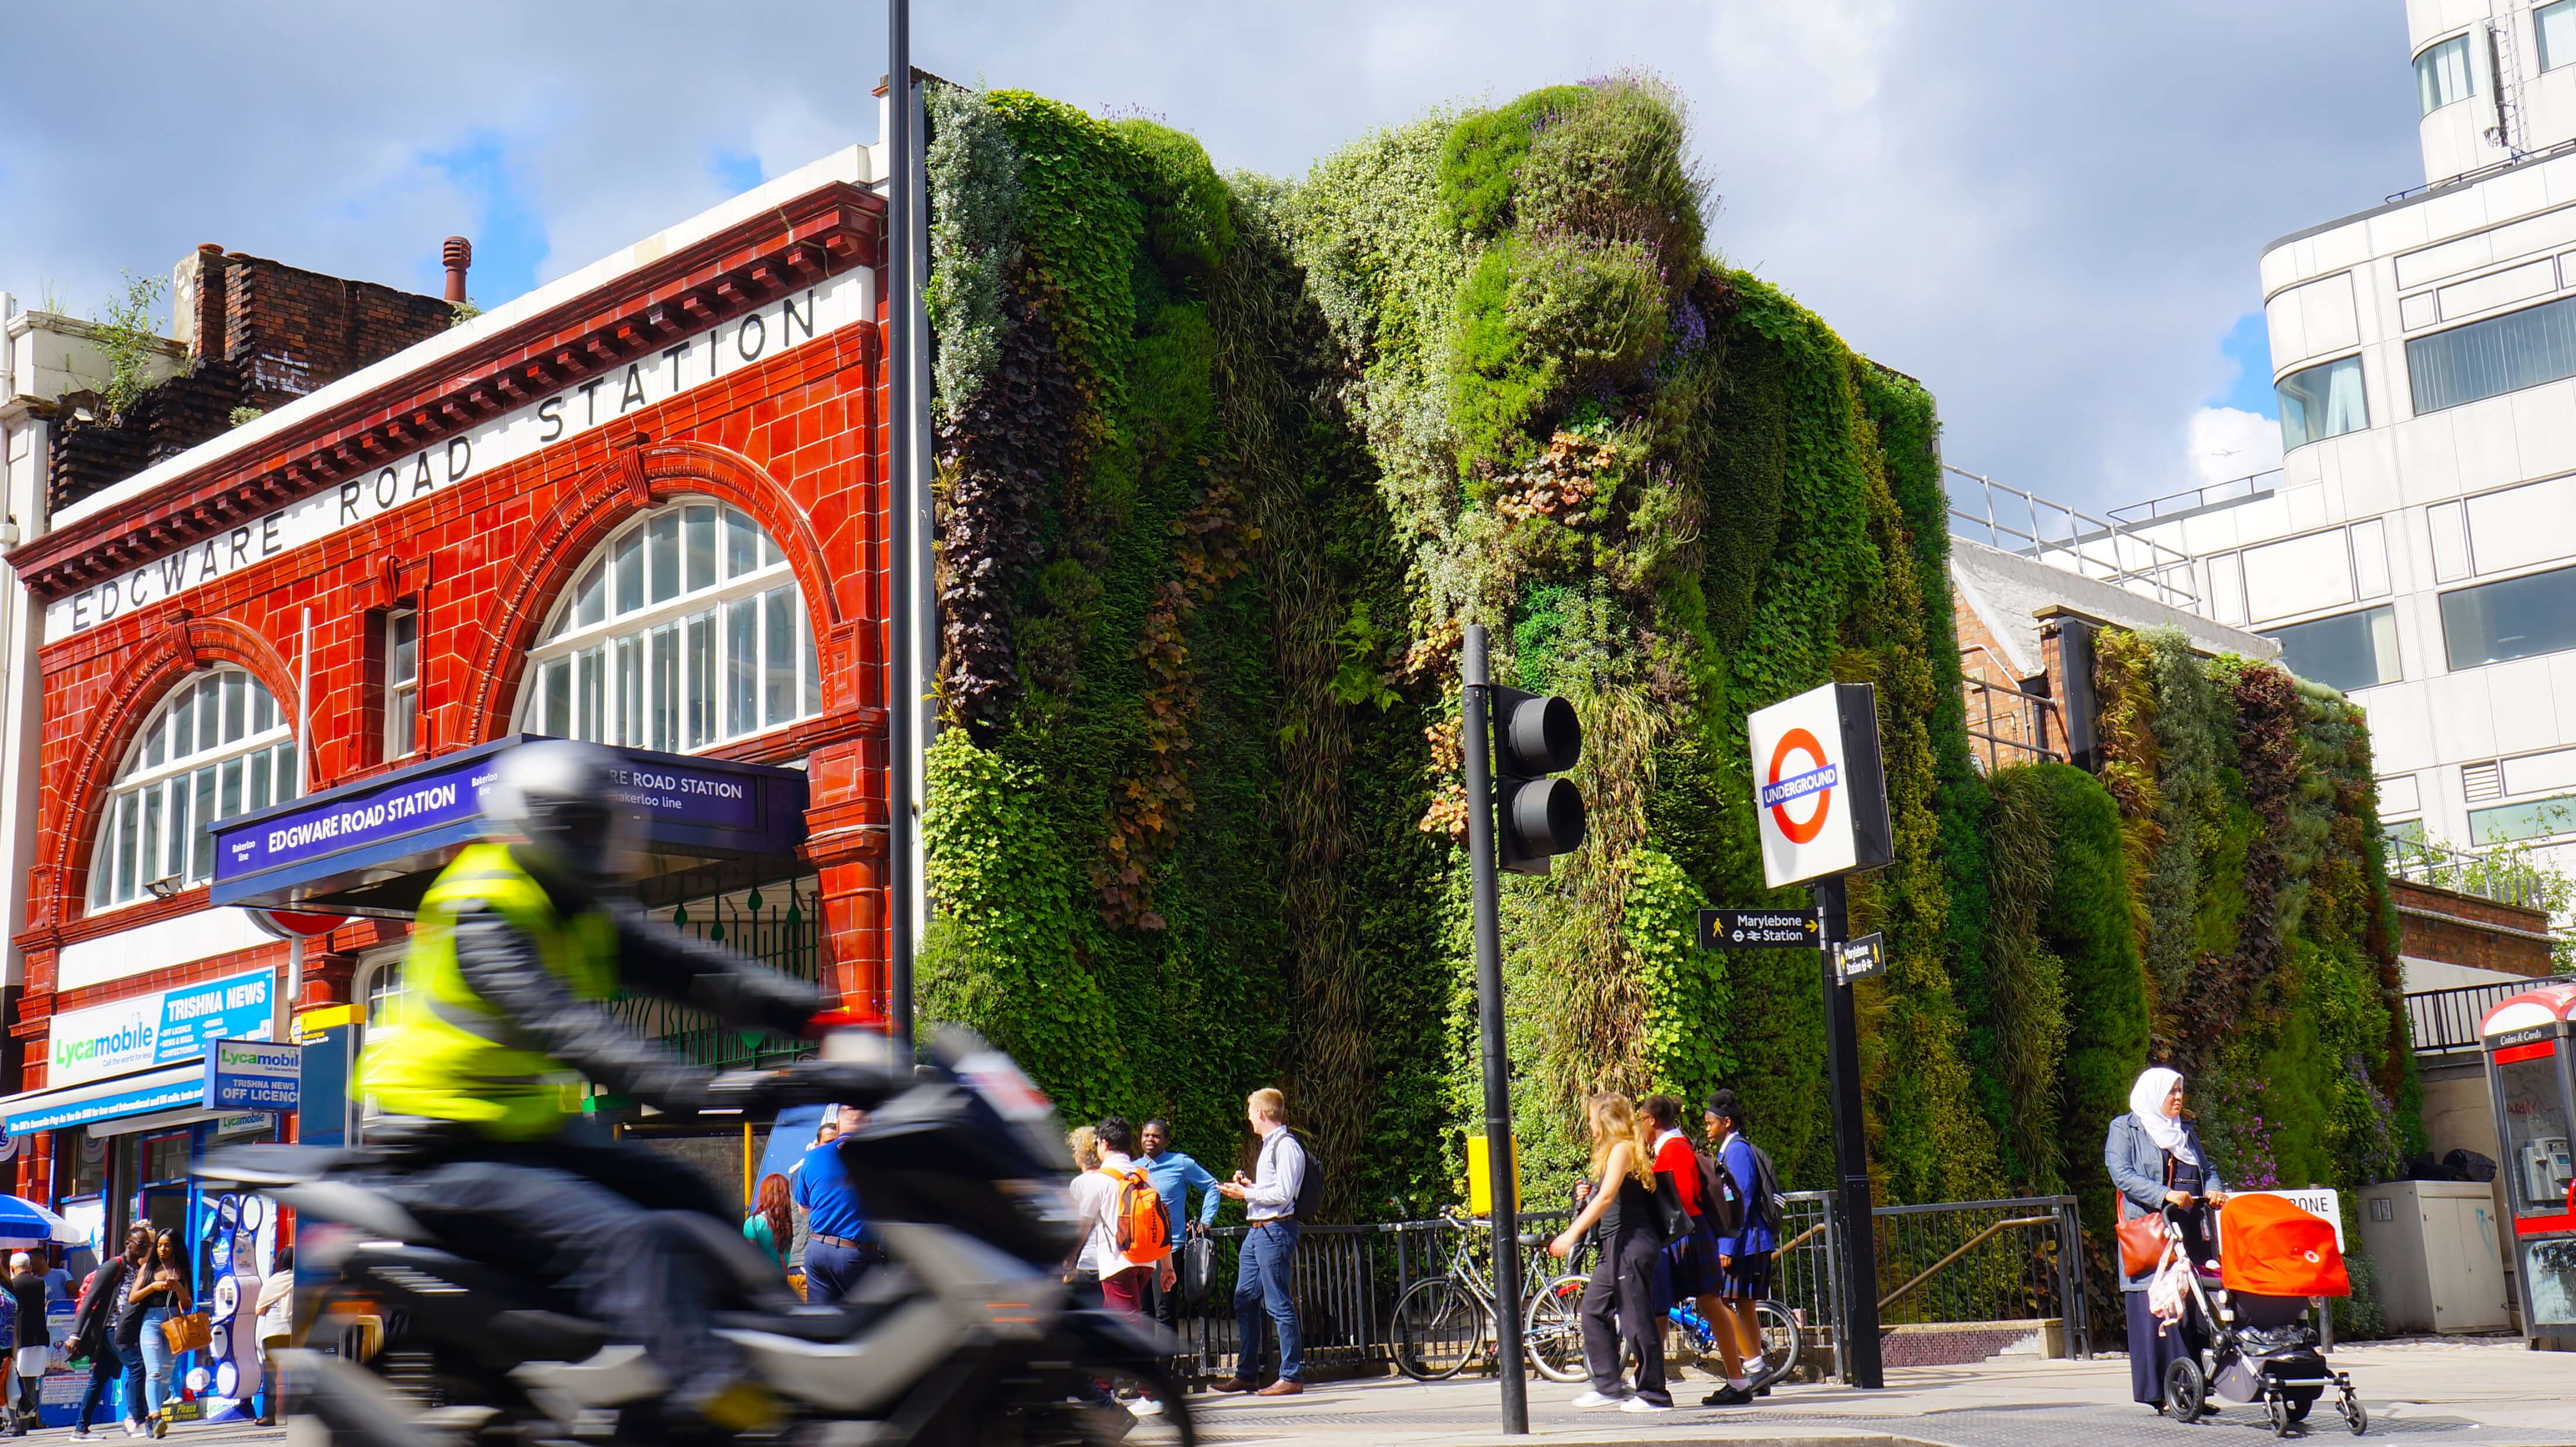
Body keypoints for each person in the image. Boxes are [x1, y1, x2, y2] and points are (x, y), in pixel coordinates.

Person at [357, 740, 844, 1435]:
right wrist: (690, 1084)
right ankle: (723, 1401)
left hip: (524, 1136)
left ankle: (784, 1353)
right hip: (443, 1144)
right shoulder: (487, 903)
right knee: (627, 1240)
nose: (598, 842)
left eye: (601, 824)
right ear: (545, 826)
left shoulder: (573, 904)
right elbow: (561, 1022)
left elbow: (690, 969)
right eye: (583, 826)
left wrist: (822, 1015)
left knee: (692, 1196)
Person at [2108, 1065, 2229, 1412]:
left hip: (2189, 1231)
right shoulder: (2125, 1128)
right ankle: (2163, 1392)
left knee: (2192, 1309)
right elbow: (2122, 1174)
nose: (2179, 1098)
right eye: (2172, 1092)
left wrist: (2215, 1191)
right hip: (2153, 1230)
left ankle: (2193, 1392)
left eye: (2181, 1091)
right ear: (2153, 1094)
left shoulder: (2185, 1133)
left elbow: (2208, 1171)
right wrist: (2165, 1194)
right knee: (2159, 1308)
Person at [1549, 1095, 1671, 1413]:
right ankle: (1608, 1385)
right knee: (1592, 1310)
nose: (1589, 1125)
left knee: (1635, 1318)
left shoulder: (1622, 1149)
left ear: (1605, 1121)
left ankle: (1655, 1393)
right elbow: (1607, 1196)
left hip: (1630, 1243)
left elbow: (1606, 1200)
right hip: (1613, 1246)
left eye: (1591, 1119)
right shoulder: (1614, 1153)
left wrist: (1572, 1233)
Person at [1214, 1088, 1307, 1398]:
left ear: (1264, 1114)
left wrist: (1247, 1194)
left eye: (1252, 1111)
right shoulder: (1270, 1147)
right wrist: (1249, 1188)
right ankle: (1247, 1374)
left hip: (1275, 1232)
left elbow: (1284, 1195)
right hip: (1258, 1232)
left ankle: (1291, 1375)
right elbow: (1273, 1191)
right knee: (1244, 1299)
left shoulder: (1287, 1146)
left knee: (1278, 1302)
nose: (1249, 1117)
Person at [1701, 1088, 1777, 1407]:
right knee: (1742, 1303)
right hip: (1748, 1242)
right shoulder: (1730, 1151)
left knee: (1722, 1302)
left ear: (1726, 1122)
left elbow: (1739, 1201)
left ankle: (1755, 1367)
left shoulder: (1737, 1152)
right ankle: (1756, 1367)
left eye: (1710, 1123)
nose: (1706, 1128)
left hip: (1746, 1243)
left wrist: (1727, 1247)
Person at [1642, 1096, 1715, 1370]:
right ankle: (1649, 1374)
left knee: (1710, 1306)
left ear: (1651, 1120)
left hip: (1685, 1236)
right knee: (1667, 1307)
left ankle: (1745, 1371)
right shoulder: (1674, 1148)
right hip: (1686, 1233)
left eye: (1640, 1121)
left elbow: (1682, 1199)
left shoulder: (1673, 1151)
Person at [1138, 1118, 1221, 1335]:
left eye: (1156, 1136)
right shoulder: (1133, 1169)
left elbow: (1213, 1186)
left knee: (1164, 1311)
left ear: (1166, 1140)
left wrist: (1206, 1220)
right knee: (1142, 1313)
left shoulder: (1181, 1163)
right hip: (1138, 1252)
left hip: (1170, 1248)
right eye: (1146, 1135)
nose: (1150, 1139)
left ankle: (1166, 1368)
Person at [793, 1105, 883, 1305]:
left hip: (818, 1251)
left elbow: (803, 1209)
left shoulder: (813, 1156)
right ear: (869, 1124)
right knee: (868, 1323)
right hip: (857, 1254)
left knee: (821, 1321)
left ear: (839, 1124)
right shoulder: (880, 1158)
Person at [67, 1229, 149, 1443]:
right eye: (141, 1244)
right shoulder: (113, 1266)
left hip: (125, 1329)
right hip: (111, 1328)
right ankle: (135, 1419)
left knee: (99, 1378)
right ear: (128, 1244)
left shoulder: (137, 1268)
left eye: (147, 1245)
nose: (144, 1248)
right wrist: (76, 1334)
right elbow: (90, 1300)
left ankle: (80, 1429)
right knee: (137, 1366)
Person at [124, 1231, 188, 1438]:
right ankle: (156, 1415)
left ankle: (152, 1420)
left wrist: (178, 1288)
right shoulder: (148, 1268)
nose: (162, 1249)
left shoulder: (181, 1270)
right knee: (155, 1371)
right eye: (160, 1245)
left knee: (167, 1373)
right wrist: (153, 1287)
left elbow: (187, 1304)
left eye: (167, 1245)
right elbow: (133, 1297)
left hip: (174, 1323)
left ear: (175, 1247)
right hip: (151, 1321)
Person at [254, 1247, 294, 1429]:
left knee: (270, 1376)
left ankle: (269, 1415)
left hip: (272, 1333)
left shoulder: (272, 1282)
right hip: (293, 1332)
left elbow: (259, 1310)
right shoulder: (300, 1280)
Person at [9, 1251, 46, 1432]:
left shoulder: (11, 1285)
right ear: (29, 1267)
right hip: (38, 1337)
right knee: (30, 1382)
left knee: (14, 1380)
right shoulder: (40, 1283)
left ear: (12, 1268)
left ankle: (15, 1424)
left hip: (18, 1337)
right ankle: (24, 1423)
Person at [744, 1174, 794, 1275]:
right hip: (795, 1281)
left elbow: (751, 1259)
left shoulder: (753, 1224)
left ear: (764, 1195)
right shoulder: (797, 1221)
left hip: (769, 1283)